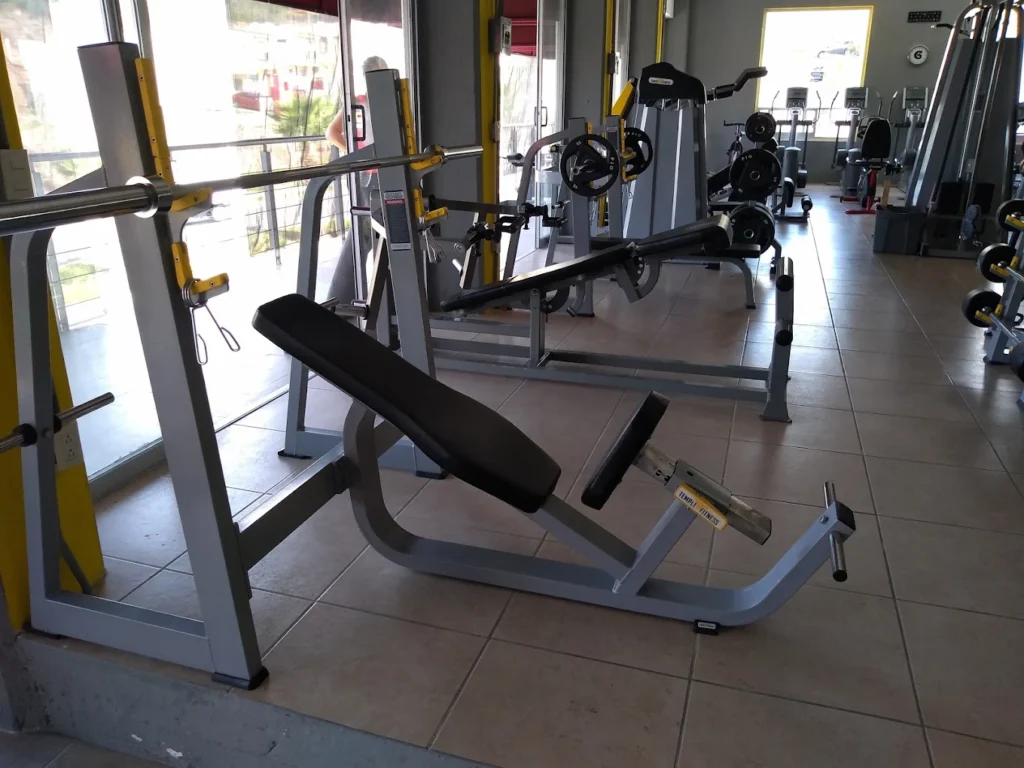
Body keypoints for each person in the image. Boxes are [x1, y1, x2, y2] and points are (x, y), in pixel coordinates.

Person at [325, 56, 389, 306]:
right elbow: (332, 132)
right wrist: (355, 155)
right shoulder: (358, 102)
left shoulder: (388, 101)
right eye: (373, 74)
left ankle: (379, 296)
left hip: (386, 172)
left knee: (379, 233)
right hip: (367, 175)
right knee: (363, 234)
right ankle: (341, 297)